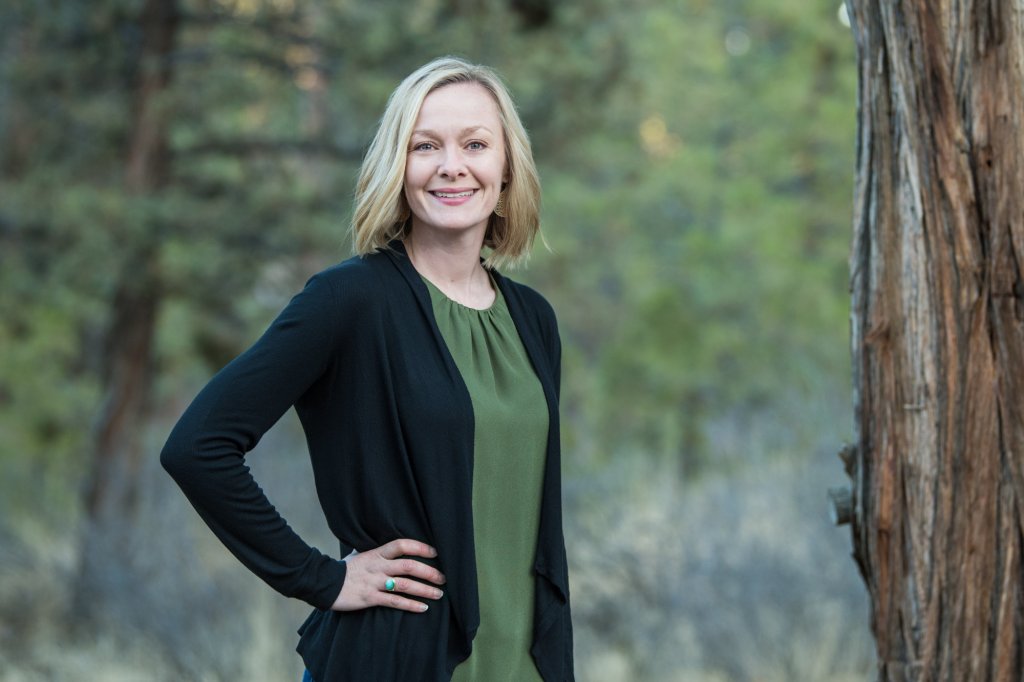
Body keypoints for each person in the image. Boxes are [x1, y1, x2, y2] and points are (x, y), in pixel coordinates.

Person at [160, 56, 574, 681]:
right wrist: (321, 578)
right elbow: (198, 447)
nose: (451, 165)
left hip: (524, 664)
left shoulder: (532, 319)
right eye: (424, 145)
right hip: (394, 660)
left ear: (508, 166)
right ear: (397, 167)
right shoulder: (348, 301)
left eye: (476, 144)